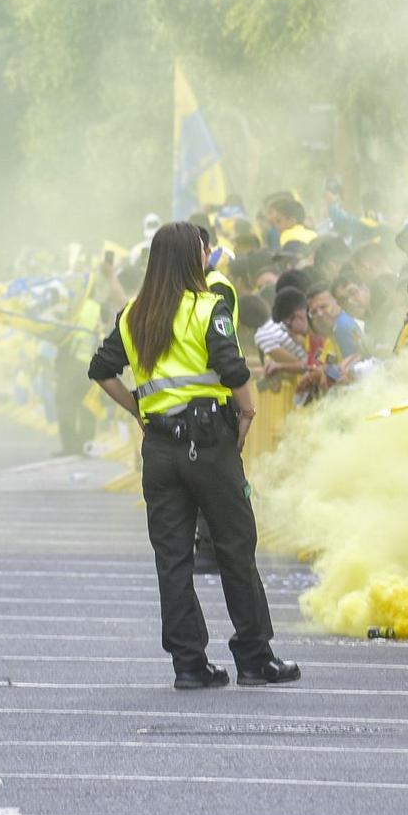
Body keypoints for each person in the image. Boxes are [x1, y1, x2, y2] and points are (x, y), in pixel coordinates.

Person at [88, 221, 298, 690]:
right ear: (194, 257)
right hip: (209, 442)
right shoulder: (208, 307)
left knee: (173, 558)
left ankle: (188, 664)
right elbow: (231, 364)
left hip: (160, 450)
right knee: (235, 548)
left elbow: (101, 369)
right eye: (205, 250)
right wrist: (246, 412)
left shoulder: (132, 314)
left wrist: (140, 409)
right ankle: (253, 657)